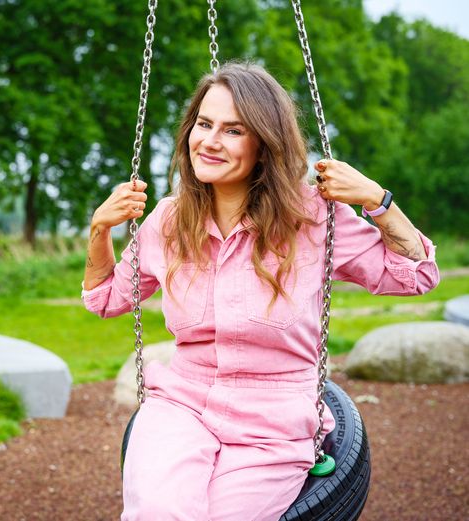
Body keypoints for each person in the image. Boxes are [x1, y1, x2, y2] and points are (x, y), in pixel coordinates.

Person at [81, 61, 439, 521]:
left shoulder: (311, 218)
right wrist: (99, 229)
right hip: (181, 408)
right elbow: (106, 298)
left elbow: (415, 275)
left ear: (264, 145)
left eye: (233, 130)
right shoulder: (168, 222)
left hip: (272, 427)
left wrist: (376, 200)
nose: (209, 141)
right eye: (204, 124)